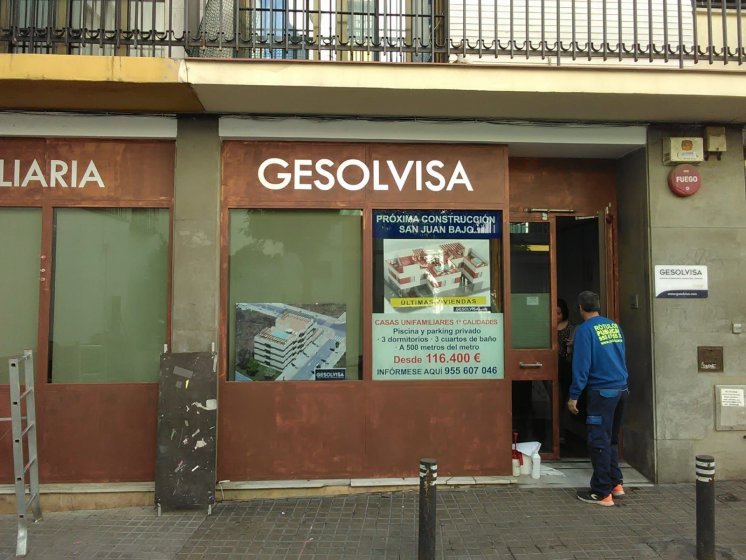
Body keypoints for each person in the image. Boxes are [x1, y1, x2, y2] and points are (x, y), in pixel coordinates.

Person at [567, 291, 629, 506]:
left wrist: (574, 395)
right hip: (620, 390)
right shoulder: (613, 326)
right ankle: (616, 483)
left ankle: (602, 492)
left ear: (580, 308)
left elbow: (582, 365)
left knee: (598, 442)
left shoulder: (585, 331)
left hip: (601, 392)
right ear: (598, 306)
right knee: (611, 439)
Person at [556, 299, 575, 442]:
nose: (556, 316)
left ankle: (562, 431)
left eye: (559, 313)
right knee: (555, 398)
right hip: (548, 366)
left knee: (563, 399)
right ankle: (555, 431)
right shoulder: (545, 326)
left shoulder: (571, 328)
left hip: (565, 367)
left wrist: (571, 347)